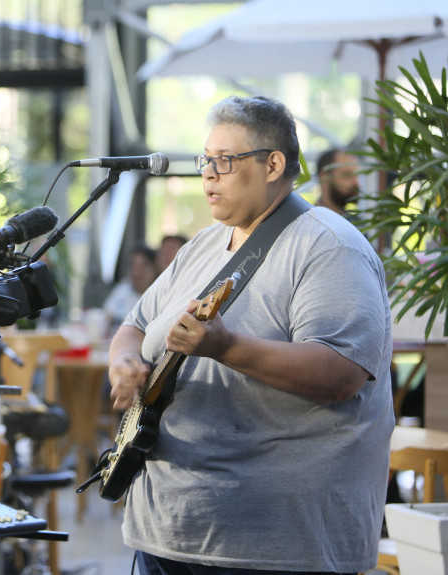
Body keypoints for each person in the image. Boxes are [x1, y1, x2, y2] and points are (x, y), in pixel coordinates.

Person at [108, 96, 393, 574]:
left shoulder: (330, 246)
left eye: (224, 160)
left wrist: (227, 347)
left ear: (273, 165)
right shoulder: (201, 245)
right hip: (165, 528)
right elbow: (134, 326)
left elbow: (341, 372)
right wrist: (125, 363)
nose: (208, 174)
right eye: (206, 160)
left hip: (272, 545)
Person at [102, 243, 157, 332]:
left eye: (142, 267)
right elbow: (106, 317)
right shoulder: (123, 289)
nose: (137, 273)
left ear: (154, 268)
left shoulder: (158, 296)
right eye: (133, 266)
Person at [315, 148, 360, 216]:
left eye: (357, 175)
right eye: (347, 175)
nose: (355, 182)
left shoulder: (357, 223)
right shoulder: (307, 223)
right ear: (324, 177)